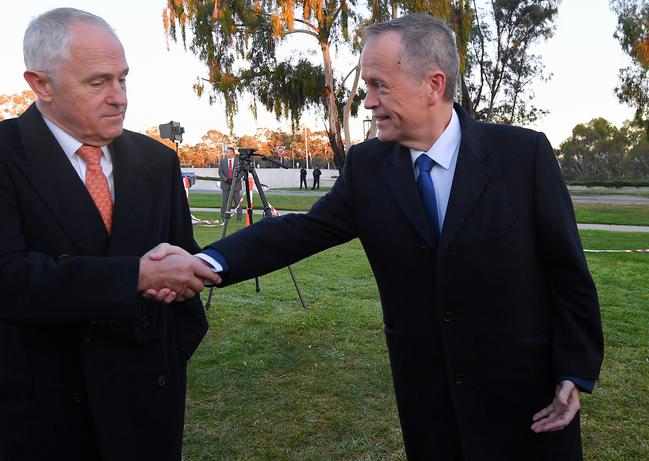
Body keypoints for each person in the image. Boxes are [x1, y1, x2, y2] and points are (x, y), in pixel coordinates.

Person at [149, 13, 603, 460]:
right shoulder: (367, 168)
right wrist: (206, 263)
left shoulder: (523, 157)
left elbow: (568, 274)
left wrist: (575, 370)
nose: (367, 102)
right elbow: (299, 232)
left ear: (434, 85)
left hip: (527, 404)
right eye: (366, 87)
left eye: (379, 86)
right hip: (430, 405)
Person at [0, 8, 220, 461]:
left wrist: (171, 357)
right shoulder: (6, 156)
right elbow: (8, 278)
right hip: (41, 415)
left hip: (146, 405)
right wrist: (133, 277)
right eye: (98, 82)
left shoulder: (157, 162)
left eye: (123, 78)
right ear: (40, 84)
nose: (119, 97)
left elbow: (182, 260)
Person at [219, 146, 243, 220]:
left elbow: (241, 173)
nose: (226, 153)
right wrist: (226, 179)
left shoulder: (238, 162)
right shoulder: (222, 162)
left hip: (236, 185)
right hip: (225, 185)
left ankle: (239, 217)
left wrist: (234, 179)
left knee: (237, 202)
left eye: (228, 152)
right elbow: (220, 172)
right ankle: (224, 217)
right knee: (225, 202)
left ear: (232, 153)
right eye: (226, 152)